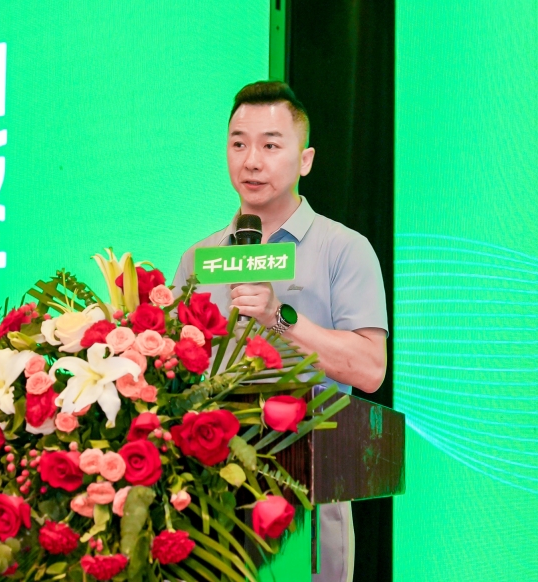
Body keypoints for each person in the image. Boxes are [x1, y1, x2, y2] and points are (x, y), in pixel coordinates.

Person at [172, 81, 388, 582]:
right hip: (205, 502)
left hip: (308, 491)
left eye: (270, 145)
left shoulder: (344, 248)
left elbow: (370, 369)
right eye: (239, 144)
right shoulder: (198, 259)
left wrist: (279, 316)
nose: (252, 161)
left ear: (305, 160)